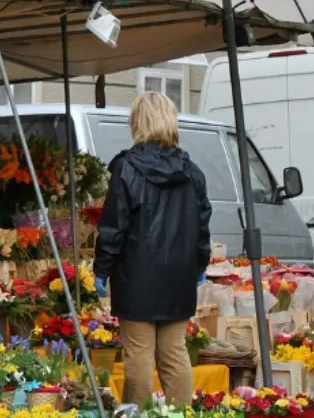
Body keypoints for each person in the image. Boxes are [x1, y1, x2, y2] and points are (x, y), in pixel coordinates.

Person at [93, 91, 212, 406]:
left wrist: (102, 269)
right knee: (174, 353)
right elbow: (202, 226)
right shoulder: (192, 172)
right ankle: (181, 413)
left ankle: (141, 413)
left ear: (137, 122)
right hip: (179, 276)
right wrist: (201, 264)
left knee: (139, 354)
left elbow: (113, 226)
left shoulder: (126, 168)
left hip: (137, 276)